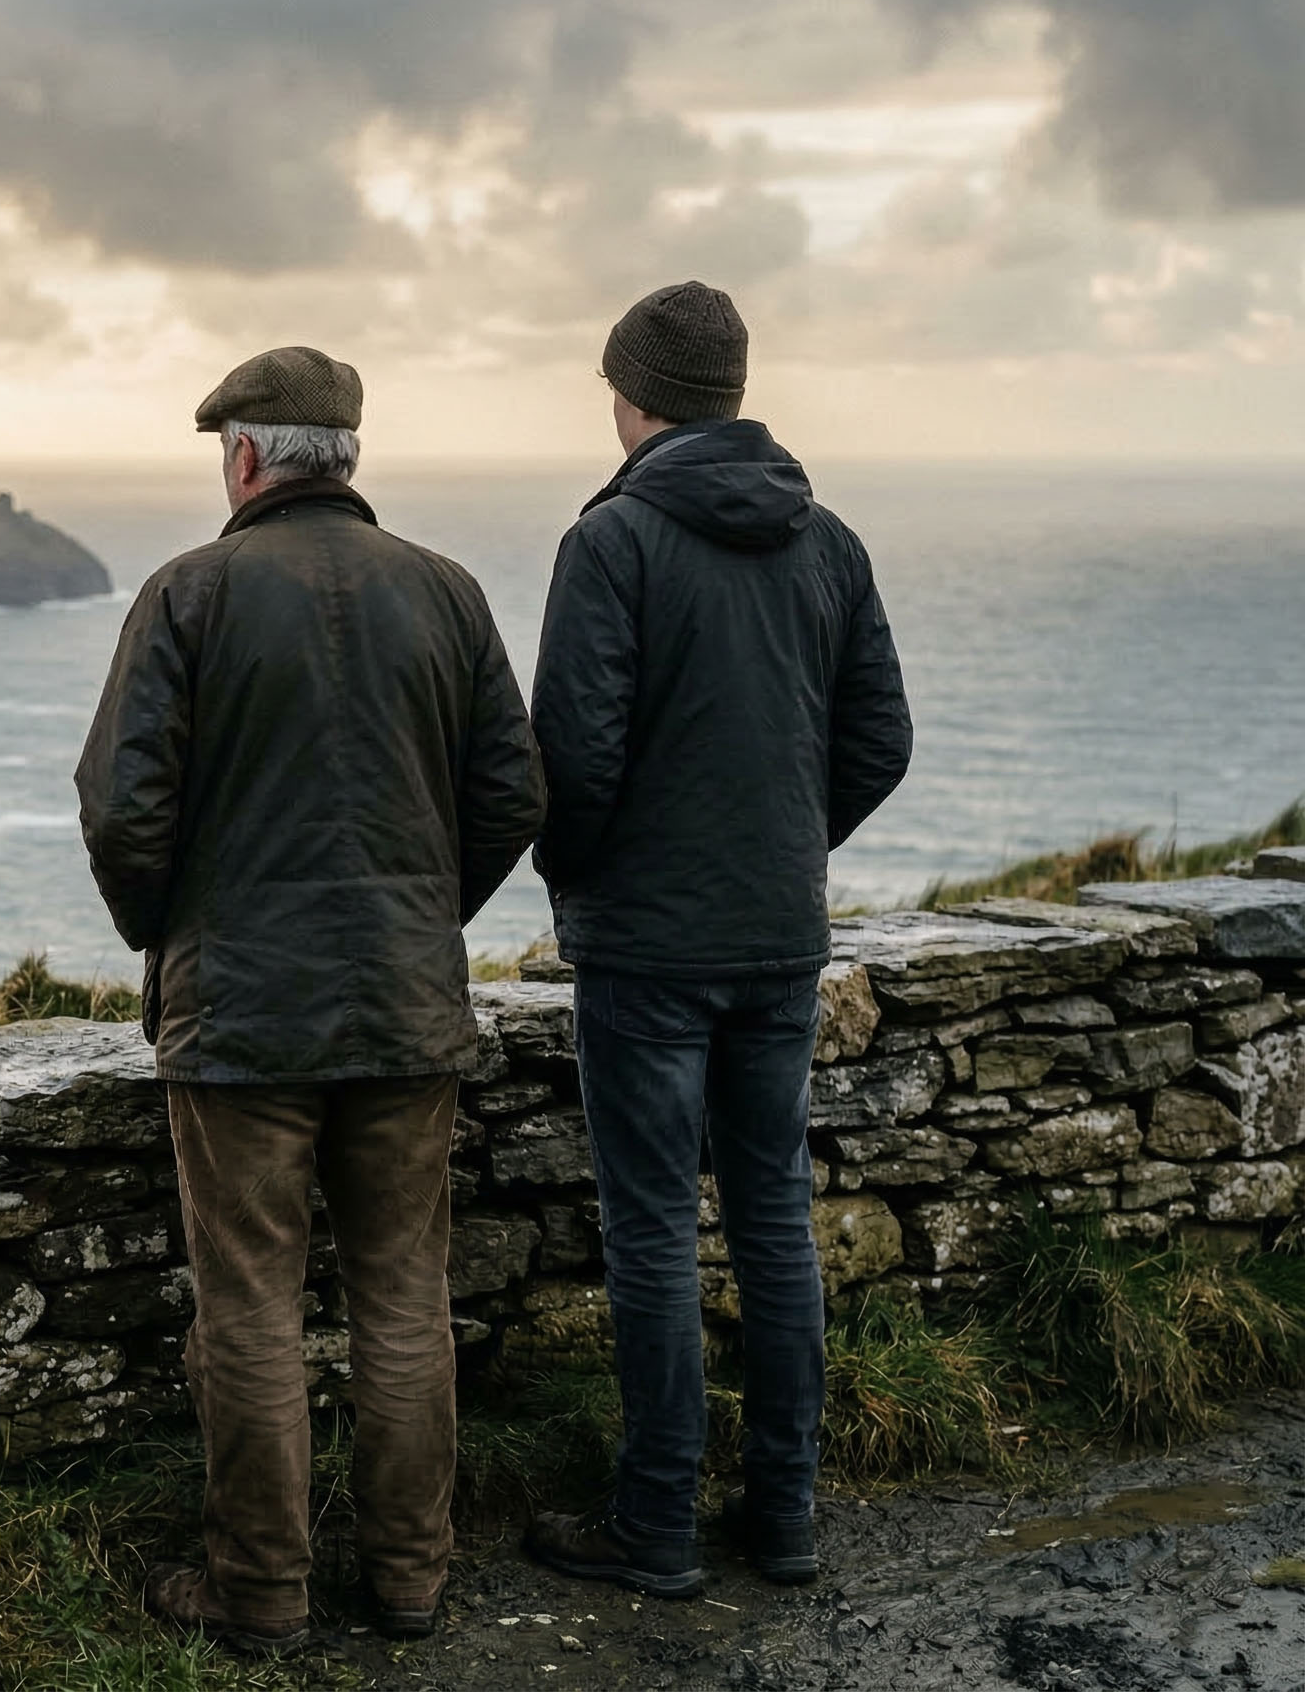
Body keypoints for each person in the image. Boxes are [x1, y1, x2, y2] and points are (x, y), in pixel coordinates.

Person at [77, 345, 547, 1656]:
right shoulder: (446, 595)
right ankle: (411, 1582)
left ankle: (262, 1598)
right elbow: (513, 792)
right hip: (405, 1007)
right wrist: (416, 914)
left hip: (241, 1022)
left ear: (243, 459)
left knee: (250, 1309)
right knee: (404, 1294)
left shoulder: (189, 596)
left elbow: (122, 809)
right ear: (343, 456)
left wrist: (172, 939)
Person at [523, 282, 913, 1596]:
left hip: (647, 949)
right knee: (774, 1221)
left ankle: (657, 1525)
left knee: (650, 1235)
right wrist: (785, 852)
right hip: (776, 939)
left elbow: (569, 760)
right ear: (733, 396)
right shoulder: (832, 543)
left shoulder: (614, 543)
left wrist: (586, 883)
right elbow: (880, 744)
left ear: (635, 397)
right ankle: (786, 1517)